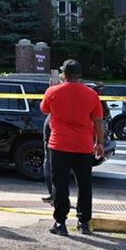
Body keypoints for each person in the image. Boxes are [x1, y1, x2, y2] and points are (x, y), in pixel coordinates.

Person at [39, 60, 104, 236]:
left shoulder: (52, 91)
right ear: (79, 75)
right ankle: (84, 222)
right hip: (83, 145)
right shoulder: (91, 94)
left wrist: (53, 89)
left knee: (60, 184)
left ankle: (60, 222)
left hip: (59, 144)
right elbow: (98, 120)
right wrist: (100, 143)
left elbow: (44, 110)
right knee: (84, 184)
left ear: (63, 74)